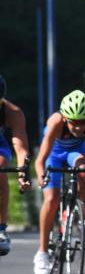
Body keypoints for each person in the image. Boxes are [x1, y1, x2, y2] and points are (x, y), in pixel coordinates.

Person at [34, 90, 85, 274]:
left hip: (75, 152)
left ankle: (83, 220)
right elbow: (40, 159)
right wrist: (41, 175)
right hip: (54, 154)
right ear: (66, 118)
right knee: (51, 199)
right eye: (74, 122)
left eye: (82, 122)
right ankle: (42, 253)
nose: (78, 127)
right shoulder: (56, 122)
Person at [0, 74, 32, 255]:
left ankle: (1, 228)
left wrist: (23, 174)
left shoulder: (12, 113)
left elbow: (21, 149)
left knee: (0, 169)